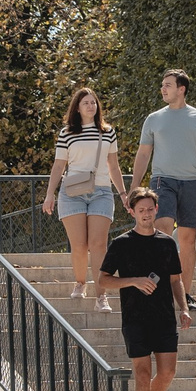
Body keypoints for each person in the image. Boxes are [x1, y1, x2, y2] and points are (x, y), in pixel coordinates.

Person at [99, 186, 187, 391]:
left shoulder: (167, 243)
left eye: (150, 209)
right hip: (135, 319)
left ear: (156, 210)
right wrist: (134, 281)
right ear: (132, 212)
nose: (146, 214)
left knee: (168, 373)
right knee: (142, 374)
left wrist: (183, 308)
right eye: (141, 210)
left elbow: (176, 280)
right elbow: (102, 280)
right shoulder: (122, 244)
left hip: (163, 318)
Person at [128, 68, 196, 315]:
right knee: (163, 230)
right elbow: (143, 154)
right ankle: (160, 288)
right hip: (162, 181)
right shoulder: (153, 119)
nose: (163, 89)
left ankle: (185, 295)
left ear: (181, 89)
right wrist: (135, 186)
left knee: (188, 240)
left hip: (192, 182)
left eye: (168, 85)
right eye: (162, 85)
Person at [43, 86, 123, 302]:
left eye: (94, 102)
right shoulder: (66, 133)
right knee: (79, 245)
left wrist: (124, 193)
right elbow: (59, 166)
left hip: (101, 192)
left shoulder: (108, 131)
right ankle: (80, 283)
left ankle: (101, 295)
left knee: (98, 244)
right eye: (86, 102)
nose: (91, 106)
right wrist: (49, 194)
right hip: (72, 193)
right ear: (77, 108)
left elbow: (114, 166)